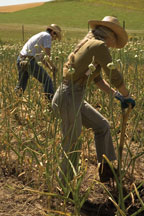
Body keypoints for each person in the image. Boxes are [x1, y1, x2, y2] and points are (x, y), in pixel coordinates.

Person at [52, 16, 135, 185]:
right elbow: (114, 75)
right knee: (72, 142)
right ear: (109, 34)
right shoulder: (99, 46)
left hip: (74, 96)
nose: (114, 43)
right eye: (115, 39)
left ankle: (105, 169)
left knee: (102, 125)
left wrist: (116, 95)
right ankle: (64, 187)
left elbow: (97, 79)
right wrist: (126, 95)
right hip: (69, 96)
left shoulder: (90, 44)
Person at [15, 24, 61, 100]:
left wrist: (50, 68)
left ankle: (16, 101)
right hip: (29, 61)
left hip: (20, 59)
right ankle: (50, 103)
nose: (54, 39)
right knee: (47, 81)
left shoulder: (41, 35)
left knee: (21, 85)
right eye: (55, 36)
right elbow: (47, 55)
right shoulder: (47, 36)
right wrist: (53, 66)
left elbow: (42, 58)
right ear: (53, 32)